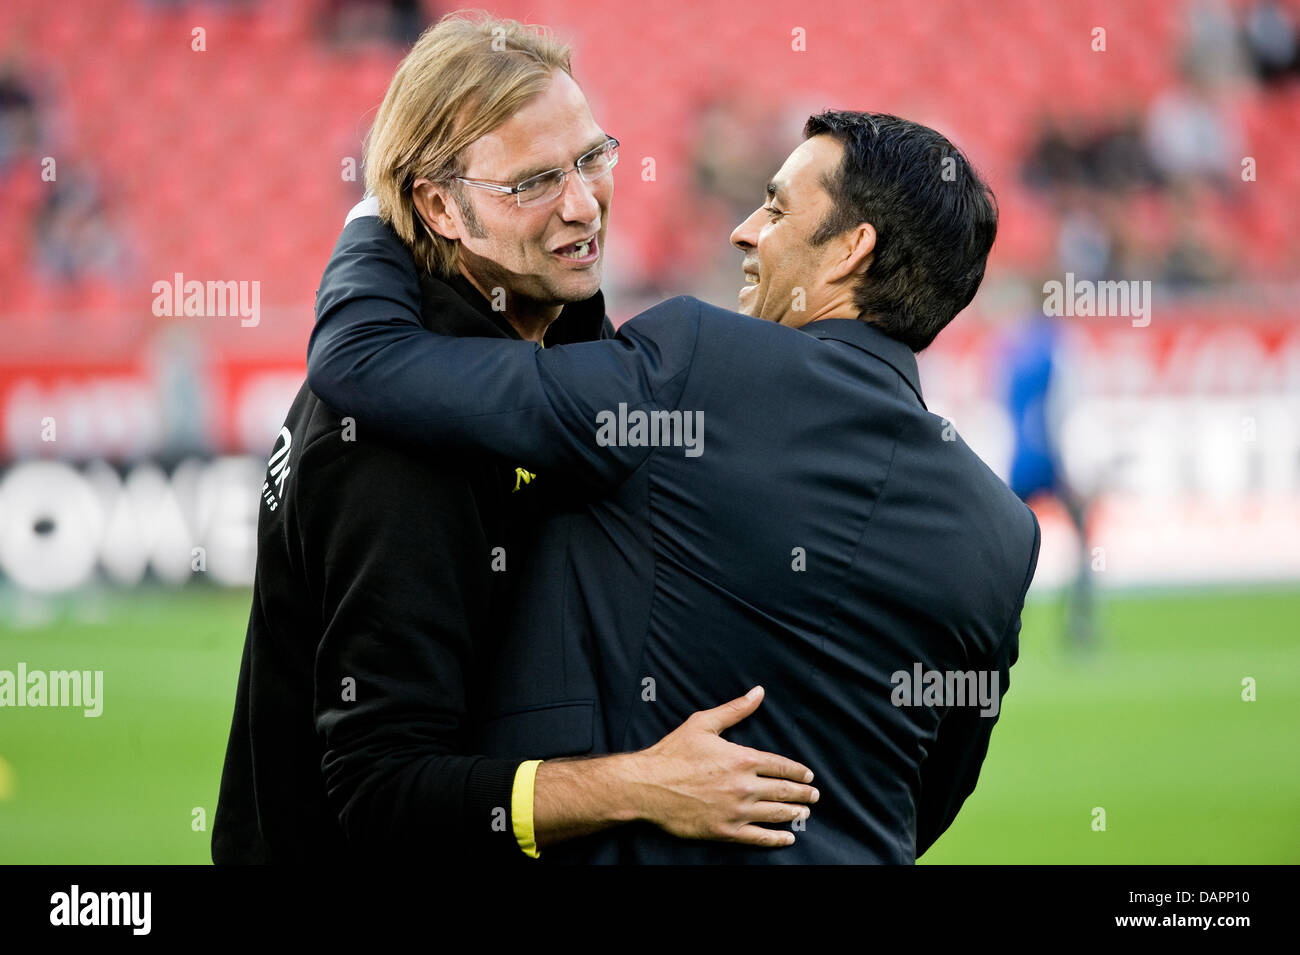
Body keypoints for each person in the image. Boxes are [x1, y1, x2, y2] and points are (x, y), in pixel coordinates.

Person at [307, 107, 1042, 863]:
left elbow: (363, 359)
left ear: (853, 250)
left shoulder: (700, 364)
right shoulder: (1004, 533)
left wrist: (380, 201)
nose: (744, 230)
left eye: (777, 208)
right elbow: (925, 801)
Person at [212, 13, 818, 866]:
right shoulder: (394, 445)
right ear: (440, 207)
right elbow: (382, 791)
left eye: (591, 157)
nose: (583, 204)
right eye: (532, 182)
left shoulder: (547, 318)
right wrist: (641, 784)